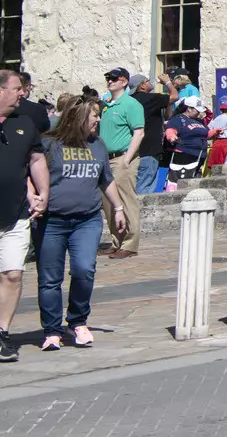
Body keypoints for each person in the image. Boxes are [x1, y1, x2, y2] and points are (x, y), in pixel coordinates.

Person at [38, 95, 122, 351]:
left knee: (84, 270)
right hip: (52, 221)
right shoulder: (49, 143)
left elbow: (105, 180)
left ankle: (77, 321)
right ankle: (52, 330)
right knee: (50, 279)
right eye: (94, 115)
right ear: (78, 116)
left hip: (87, 220)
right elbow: (33, 174)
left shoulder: (98, 145)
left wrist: (118, 208)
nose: (98, 119)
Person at [0, 69, 50, 363]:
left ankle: (2, 332)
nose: (23, 93)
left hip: (16, 214)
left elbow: (36, 159)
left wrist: (42, 192)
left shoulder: (25, 123)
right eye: (18, 88)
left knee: (14, 274)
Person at [96, 69, 145, 259]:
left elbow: (138, 132)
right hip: (106, 158)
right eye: (108, 78)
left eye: (114, 79)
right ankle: (117, 240)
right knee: (108, 201)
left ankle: (130, 243)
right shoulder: (106, 104)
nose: (110, 81)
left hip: (122, 157)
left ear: (124, 82)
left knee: (125, 199)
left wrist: (127, 158)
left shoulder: (131, 104)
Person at [131, 75, 167, 198]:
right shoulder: (150, 99)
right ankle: (139, 215)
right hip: (149, 151)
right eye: (147, 80)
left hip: (133, 152)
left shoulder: (129, 100)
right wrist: (167, 82)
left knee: (137, 185)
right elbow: (174, 96)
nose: (149, 82)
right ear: (142, 86)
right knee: (145, 188)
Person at [165, 99, 209, 183]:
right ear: (189, 109)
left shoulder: (199, 120)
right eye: (197, 110)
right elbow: (170, 129)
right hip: (184, 155)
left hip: (199, 156)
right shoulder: (178, 119)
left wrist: (214, 132)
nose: (199, 113)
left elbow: (205, 133)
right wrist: (172, 137)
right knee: (182, 182)